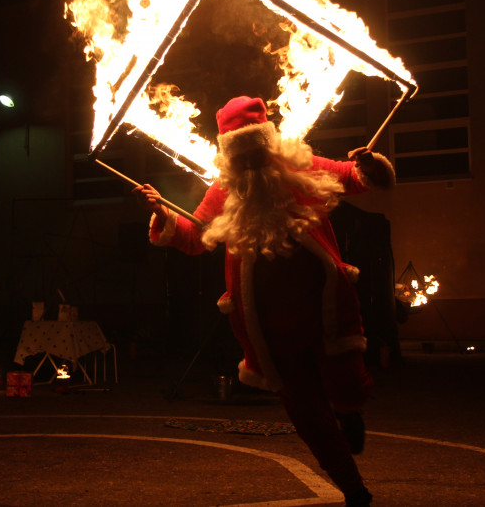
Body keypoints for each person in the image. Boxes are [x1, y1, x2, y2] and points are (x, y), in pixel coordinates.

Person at [134, 96, 395, 507]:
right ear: (231, 158)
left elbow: (357, 178)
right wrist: (164, 213)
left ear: (269, 144)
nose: (252, 163)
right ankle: (354, 489)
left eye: (256, 151)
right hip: (270, 331)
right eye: (243, 156)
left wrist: (368, 164)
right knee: (307, 416)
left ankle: (349, 411)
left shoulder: (301, 168)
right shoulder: (224, 190)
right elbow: (193, 236)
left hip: (324, 310)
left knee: (347, 383)